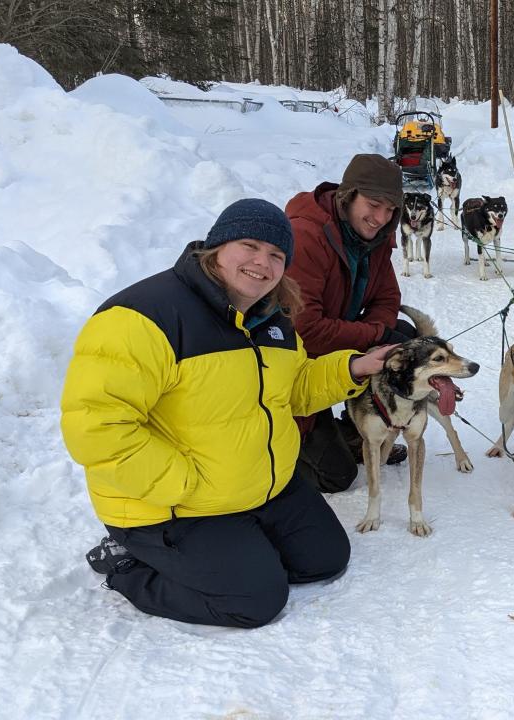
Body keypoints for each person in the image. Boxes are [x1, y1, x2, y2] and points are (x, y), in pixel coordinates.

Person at [60, 198, 394, 628]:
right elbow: (96, 427)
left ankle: (237, 546)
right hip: (175, 503)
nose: (263, 262)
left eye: (276, 255)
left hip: (253, 489)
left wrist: (354, 367)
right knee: (254, 599)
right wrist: (184, 484)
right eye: (250, 245)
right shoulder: (145, 316)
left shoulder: (271, 318)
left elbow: (291, 392)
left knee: (325, 559)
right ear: (216, 247)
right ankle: (128, 563)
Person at [284, 153, 414, 494]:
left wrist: (377, 335)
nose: (380, 218)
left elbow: (387, 298)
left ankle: (359, 427)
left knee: (405, 341)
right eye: (373, 205)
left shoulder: (375, 238)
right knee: (337, 475)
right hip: (293, 369)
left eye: (390, 210)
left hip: (332, 348)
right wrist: (372, 337)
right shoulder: (307, 236)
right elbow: (306, 330)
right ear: (348, 195)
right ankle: (277, 451)